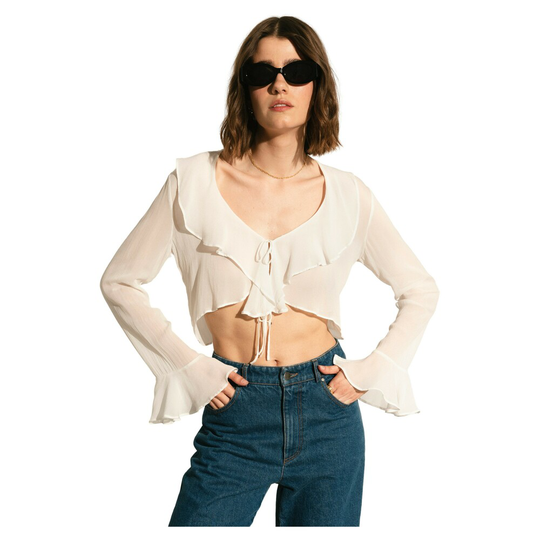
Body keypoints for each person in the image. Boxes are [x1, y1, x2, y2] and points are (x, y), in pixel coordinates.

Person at [100, 15, 439, 528]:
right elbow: (120, 282)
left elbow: (420, 290)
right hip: (236, 411)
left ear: (316, 86)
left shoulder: (349, 195)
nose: (280, 85)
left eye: (296, 71)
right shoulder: (191, 183)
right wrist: (187, 368)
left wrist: (369, 372)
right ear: (245, 89)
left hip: (328, 413)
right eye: (263, 73)